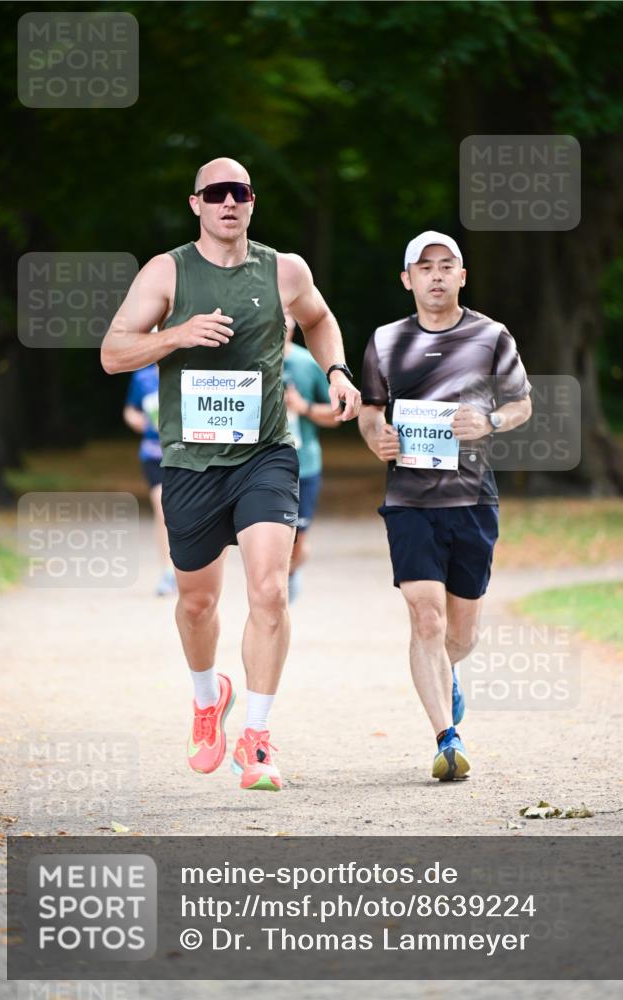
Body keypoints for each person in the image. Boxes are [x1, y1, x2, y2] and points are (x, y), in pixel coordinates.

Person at [101, 157, 360, 792]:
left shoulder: (284, 270)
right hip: (189, 459)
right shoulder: (167, 271)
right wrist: (177, 333)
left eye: (238, 193)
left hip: (266, 452)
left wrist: (337, 372)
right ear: (196, 204)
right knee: (197, 601)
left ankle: (258, 736)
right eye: (215, 193)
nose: (228, 203)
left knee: (270, 589)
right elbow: (112, 353)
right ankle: (205, 698)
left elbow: (321, 320)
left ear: (251, 202)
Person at [358, 231, 532, 781]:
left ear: (462, 275)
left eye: (446, 265)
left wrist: (492, 421)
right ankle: (446, 739)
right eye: (424, 267)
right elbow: (369, 413)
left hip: (472, 498)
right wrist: (376, 438)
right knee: (425, 616)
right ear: (407, 279)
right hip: (408, 500)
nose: (436, 275)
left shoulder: (491, 335)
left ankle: (443, 672)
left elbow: (522, 403)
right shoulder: (386, 341)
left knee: (461, 635)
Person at [283, 311, 339, 603]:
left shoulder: (306, 363)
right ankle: (272, 592)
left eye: (286, 318)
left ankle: (289, 575)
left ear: (294, 323)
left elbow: (336, 414)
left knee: (297, 542)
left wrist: (302, 407)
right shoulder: (244, 359)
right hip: (257, 466)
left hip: (303, 466)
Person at [123, 362, 177, 596]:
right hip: (153, 454)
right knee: (162, 508)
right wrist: (135, 419)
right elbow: (130, 409)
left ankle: (187, 571)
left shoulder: (187, 371)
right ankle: (168, 572)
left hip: (184, 455)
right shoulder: (142, 377)